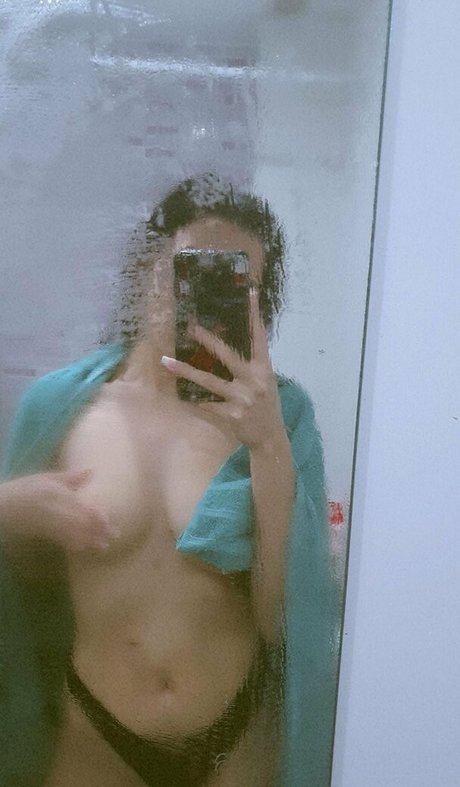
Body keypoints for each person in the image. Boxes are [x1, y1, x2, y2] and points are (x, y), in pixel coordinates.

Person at [0, 174, 340, 787]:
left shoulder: (280, 416)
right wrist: (9, 511)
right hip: (91, 737)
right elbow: (23, 596)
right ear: (146, 273)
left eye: (235, 282)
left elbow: (288, 625)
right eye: (189, 269)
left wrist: (267, 446)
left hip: (236, 741)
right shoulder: (61, 407)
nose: (201, 296)